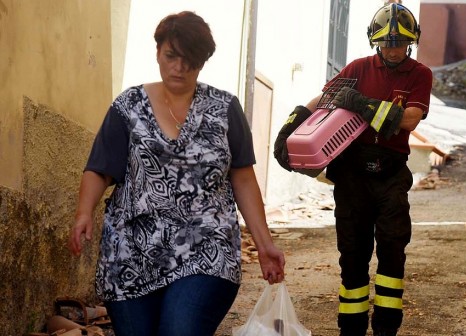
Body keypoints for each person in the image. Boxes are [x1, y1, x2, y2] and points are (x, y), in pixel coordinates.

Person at [67, 11, 285, 336]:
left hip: (205, 249)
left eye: (189, 60)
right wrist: (84, 212)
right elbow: (100, 169)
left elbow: (242, 178)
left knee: (180, 329)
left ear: (202, 61)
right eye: (171, 56)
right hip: (131, 254)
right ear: (158, 52)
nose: (179, 67)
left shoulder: (225, 110)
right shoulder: (128, 107)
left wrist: (264, 243)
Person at [275, 4, 431, 336]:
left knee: (392, 249)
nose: (392, 49)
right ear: (375, 41)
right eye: (386, 43)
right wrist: (292, 124)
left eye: (399, 43)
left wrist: (364, 104)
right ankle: (352, 328)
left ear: (411, 42)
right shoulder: (358, 68)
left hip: (391, 173)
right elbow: (324, 99)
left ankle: (387, 328)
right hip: (352, 174)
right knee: (353, 255)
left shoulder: (419, 74)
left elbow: (410, 118)